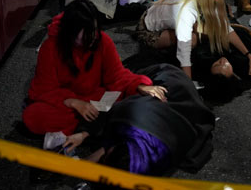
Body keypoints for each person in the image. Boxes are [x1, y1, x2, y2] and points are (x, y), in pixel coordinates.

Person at [22, 0, 167, 136]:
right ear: (70, 33)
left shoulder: (102, 40)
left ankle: (89, 128)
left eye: (94, 30)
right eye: (86, 33)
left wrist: (139, 86)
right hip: (67, 104)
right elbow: (44, 89)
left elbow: (117, 76)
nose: (92, 37)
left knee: (139, 96)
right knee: (33, 116)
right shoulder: (50, 48)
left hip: (96, 98)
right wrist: (73, 102)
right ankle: (97, 127)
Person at [61, 64, 215, 176]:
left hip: (171, 105)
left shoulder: (158, 158)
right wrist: (83, 134)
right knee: (118, 87)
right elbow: (109, 106)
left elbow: (113, 148)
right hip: (166, 78)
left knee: (113, 95)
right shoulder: (127, 113)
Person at [136, 0, 251, 80]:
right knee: (193, 40)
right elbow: (183, 51)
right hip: (149, 31)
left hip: (165, 19)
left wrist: (248, 55)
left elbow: (225, 28)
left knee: (209, 32)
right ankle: (167, 55)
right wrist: (188, 83)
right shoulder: (185, 11)